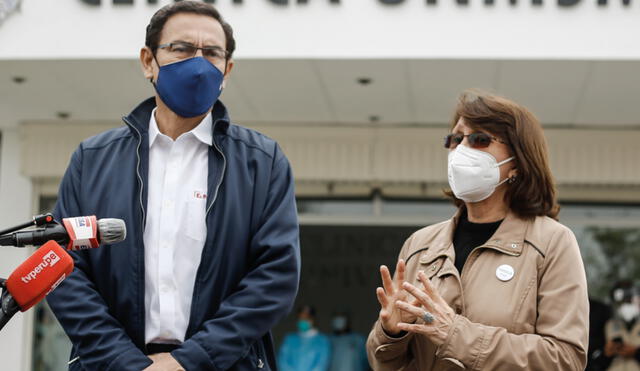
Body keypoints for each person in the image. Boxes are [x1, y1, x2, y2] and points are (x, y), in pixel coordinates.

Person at [46, 2, 300, 370]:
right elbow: (64, 269)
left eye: (211, 53)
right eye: (181, 49)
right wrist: (125, 362)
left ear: (226, 70)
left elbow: (275, 277)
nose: (197, 63)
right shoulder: (93, 159)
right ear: (149, 61)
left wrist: (191, 361)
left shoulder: (262, 162)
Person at [367, 90, 589, 370]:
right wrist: (391, 332)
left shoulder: (552, 242)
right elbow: (383, 363)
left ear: (517, 163)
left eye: (479, 139)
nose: (461, 150)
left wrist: (456, 335)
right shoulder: (420, 244)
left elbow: (566, 359)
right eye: (455, 139)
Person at [278, 305, 331, 371]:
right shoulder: (289, 339)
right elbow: (283, 362)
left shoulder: (322, 341)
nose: (302, 320)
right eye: (300, 318)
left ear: (313, 319)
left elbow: (322, 364)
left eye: (306, 318)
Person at [604, 281, 640, 371]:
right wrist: (607, 352)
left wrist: (636, 352)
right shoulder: (610, 325)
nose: (624, 305)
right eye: (620, 303)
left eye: (628, 300)